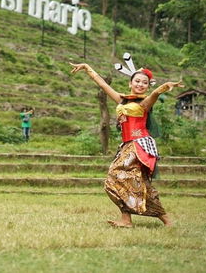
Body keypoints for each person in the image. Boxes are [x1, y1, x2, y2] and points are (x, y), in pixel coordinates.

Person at [70, 62, 183, 228]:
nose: (140, 84)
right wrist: (87, 68)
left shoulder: (144, 102)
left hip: (139, 144)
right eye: (137, 81)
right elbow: (102, 84)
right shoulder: (122, 99)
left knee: (115, 176)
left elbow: (154, 95)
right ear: (130, 83)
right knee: (136, 182)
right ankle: (134, 220)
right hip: (127, 145)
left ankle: (149, 220)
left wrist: (163, 87)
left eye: (144, 82)